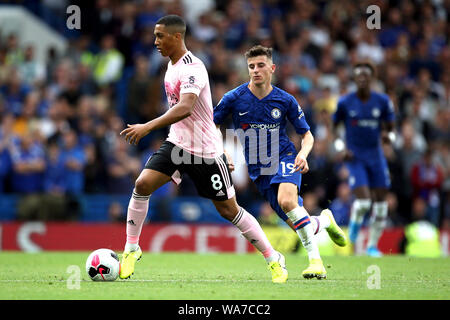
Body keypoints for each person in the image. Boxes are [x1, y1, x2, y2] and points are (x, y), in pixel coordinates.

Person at [118, 15, 287, 283]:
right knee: (142, 184)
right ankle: (131, 249)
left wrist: (147, 127)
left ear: (176, 37)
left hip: (205, 152)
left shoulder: (193, 68)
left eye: (160, 36)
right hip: (178, 145)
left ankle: (273, 257)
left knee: (229, 211)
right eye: (154, 35)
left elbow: (186, 108)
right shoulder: (170, 66)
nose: (155, 42)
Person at [213, 45, 347, 280]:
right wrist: (221, 151)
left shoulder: (285, 100)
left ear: (272, 68)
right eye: (251, 66)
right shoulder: (233, 98)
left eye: (261, 65)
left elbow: (307, 135)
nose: (255, 70)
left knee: (288, 201)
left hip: (285, 158)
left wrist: (303, 154)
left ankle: (316, 263)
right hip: (259, 171)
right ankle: (324, 221)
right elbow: (212, 125)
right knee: (298, 220)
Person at [332, 61, 396, 257]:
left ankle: (372, 246)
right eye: (358, 75)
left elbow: (391, 130)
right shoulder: (345, 102)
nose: (361, 79)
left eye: (365, 75)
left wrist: (389, 138)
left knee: (382, 206)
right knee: (365, 203)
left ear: (372, 78)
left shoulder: (383, 101)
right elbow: (335, 130)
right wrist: (341, 148)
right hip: (355, 157)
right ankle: (353, 228)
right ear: (354, 78)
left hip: (376, 157)